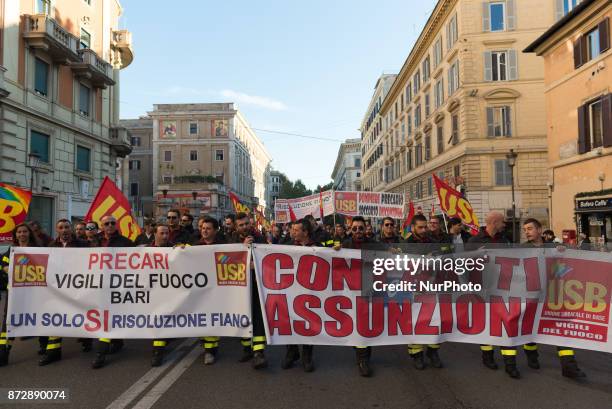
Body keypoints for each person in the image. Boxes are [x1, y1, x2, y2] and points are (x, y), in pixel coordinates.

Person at [521, 218, 585, 379]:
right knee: (530, 329)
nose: (526, 232)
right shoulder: (521, 249)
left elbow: (563, 269)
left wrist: (564, 254)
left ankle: (569, 367)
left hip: (553, 296)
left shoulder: (553, 247)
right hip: (532, 296)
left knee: (561, 330)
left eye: (529, 229)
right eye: (524, 230)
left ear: (540, 230)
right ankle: (531, 354)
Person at [467, 212, 519, 378]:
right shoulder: (474, 241)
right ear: (495, 222)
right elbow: (462, 264)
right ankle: (487, 356)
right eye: (503, 222)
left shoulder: (505, 240)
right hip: (481, 289)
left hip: (503, 289)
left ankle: (510, 363)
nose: (505, 224)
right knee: (487, 324)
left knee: (507, 324)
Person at [39, 219, 89, 366]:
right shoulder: (51, 246)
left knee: (82, 315)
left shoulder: (83, 245)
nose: (64, 230)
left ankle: (87, 340)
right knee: (56, 317)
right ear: (57, 230)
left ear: (71, 229)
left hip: (79, 288)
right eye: (61, 227)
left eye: (67, 227)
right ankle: (53, 352)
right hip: (58, 289)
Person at [92, 215, 135, 369]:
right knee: (105, 316)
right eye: (106, 224)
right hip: (97, 285)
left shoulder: (126, 242)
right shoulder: (92, 242)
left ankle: (100, 355)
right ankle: (117, 341)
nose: (110, 226)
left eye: (112, 223)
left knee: (108, 316)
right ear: (101, 226)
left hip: (118, 285)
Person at [333, 216, 374, 377]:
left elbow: (389, 257)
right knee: (357, 325)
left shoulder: (374, 244)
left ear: (365, 229)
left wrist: (392, 251)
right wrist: (333, 253)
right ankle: (362, 358)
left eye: (360, 228)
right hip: (350, 293)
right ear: (351, 230)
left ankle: (364, 355)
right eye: (355, 228)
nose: (358, 231)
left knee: (366, 324)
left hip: (369, 291)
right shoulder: (345, 246)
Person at [229, 212, 268, 369]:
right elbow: (225, 258)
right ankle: (247, 349)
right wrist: (242, 249)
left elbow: (266, 257)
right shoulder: (230, 240)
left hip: (255, 284)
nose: (244, 227)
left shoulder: (259, 239)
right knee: (241, 316)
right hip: (237, 285)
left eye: (246, 224)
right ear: (236, 227)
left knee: (257, 317)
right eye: (241, 225)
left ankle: (259, 352)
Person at [404, 214, 443, 369]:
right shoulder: (406, 244)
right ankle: (417, 354)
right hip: (414, 290)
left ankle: (433, 352)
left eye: (425, 226)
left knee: (436, 321)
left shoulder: (433, 242)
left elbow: (444, 260)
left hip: (432, 288)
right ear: (413, 227)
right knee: (415, 321)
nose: (424, 229)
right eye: (420, 227)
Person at [0, 223, 42, 366]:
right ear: (15, 235)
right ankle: (4, 352)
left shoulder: (37, 250)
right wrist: (5, 268)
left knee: (38, 317)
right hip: (14, 292)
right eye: (19, 232)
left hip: (33, 292)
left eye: (25, 231)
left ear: (29, 233)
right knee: (9, 320)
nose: (22, 234)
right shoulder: (11, 250)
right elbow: (2, 263)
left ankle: (44, 346)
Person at [281, 219, 317, 372]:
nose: (293, 232)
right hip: (291, 291)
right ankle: (292, 352)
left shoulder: (318, 248)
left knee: (308, 322)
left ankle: (307, 355)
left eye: (296, 230)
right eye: (292, 230)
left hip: (310, 292)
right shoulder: (287, 247)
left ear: (305, 232)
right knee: (290, 321)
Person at [195, 216, 225, 365]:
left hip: (217, 289)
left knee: (213, 319)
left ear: (215, 230)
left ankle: (210, 351)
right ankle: (206, 345)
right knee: (202, 319)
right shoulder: (194, 246)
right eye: (202, 228)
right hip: (200, 289)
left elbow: (227, 261)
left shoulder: (223, 246)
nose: (204, 231)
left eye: (208, 228)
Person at [149, 224, 172, 367]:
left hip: (168, 291)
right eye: (162, 233)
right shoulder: (145, 250)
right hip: (150, 292)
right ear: (155, 234)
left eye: (167, 233)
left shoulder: (175, 249)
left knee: (161, 320)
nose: (164, 236)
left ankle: (158, 351)